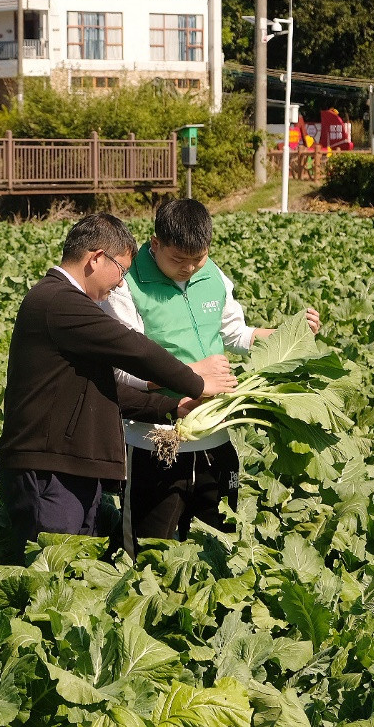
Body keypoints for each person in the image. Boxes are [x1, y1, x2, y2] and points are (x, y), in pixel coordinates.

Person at [0, 212, 236, 560]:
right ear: (96, 258)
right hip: (48, 471)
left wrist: (172, 407)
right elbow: (135, 349)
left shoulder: (67, 305)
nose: (122, 284)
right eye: (121, 270)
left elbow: (105, 389)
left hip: (71, 468)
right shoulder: (59, 301)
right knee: (49, 576)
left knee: (75, 575)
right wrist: (198, 382)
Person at [103, 199, 321, 549]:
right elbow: (121, 370)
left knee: (219, 548)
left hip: (215, 439)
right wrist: (190, 375)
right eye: (178, 259)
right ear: (155, 244)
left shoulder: (213, 275)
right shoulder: (126, 286)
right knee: (146, 553)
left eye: (198, 258)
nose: (189, 268)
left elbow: (236, 334)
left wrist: (290, 333)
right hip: (153, 442)